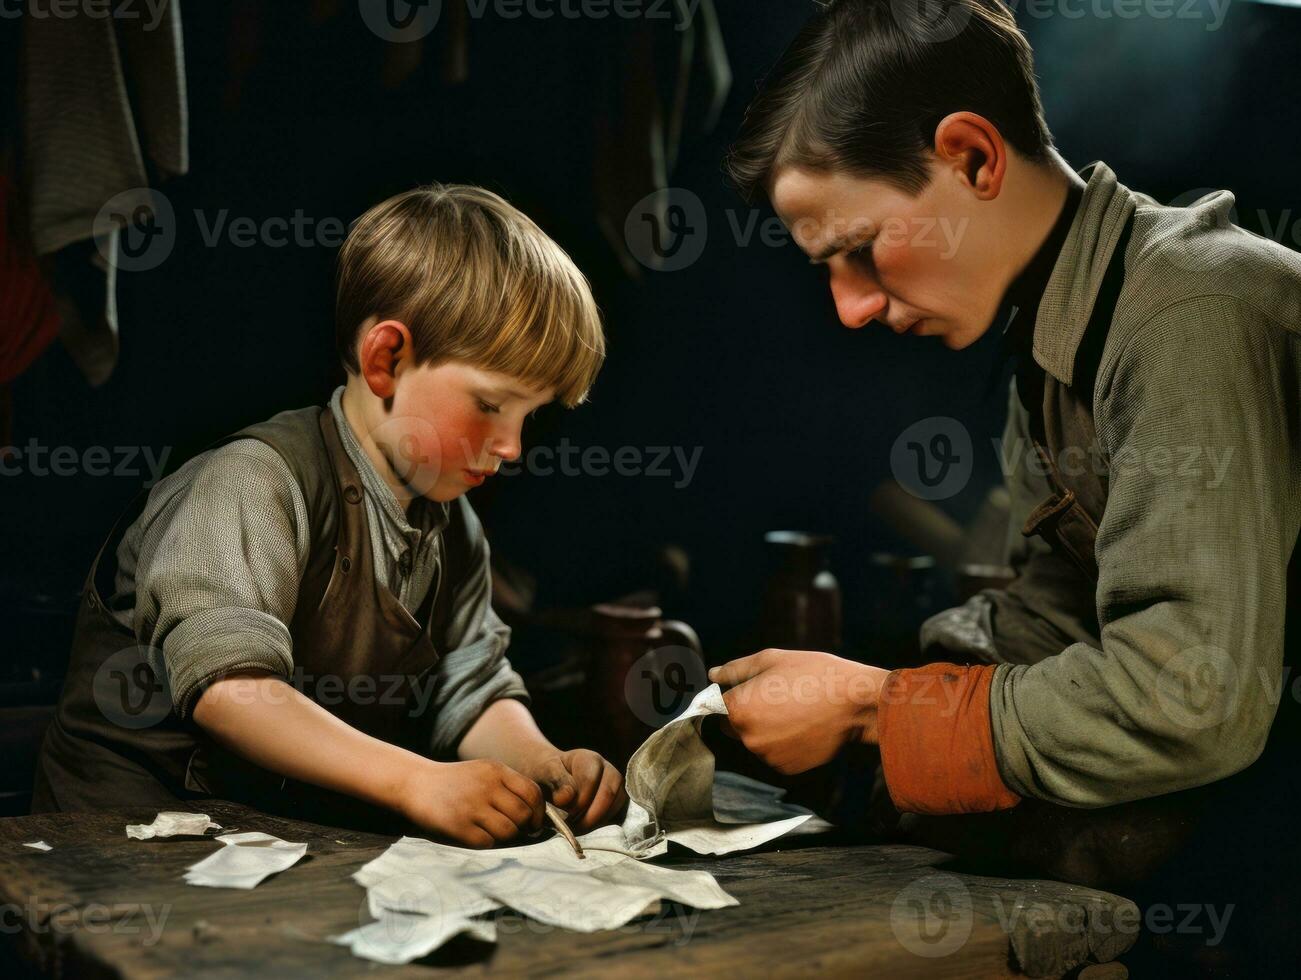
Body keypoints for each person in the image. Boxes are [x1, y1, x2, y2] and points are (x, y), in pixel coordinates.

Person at [710, 0, 1300, 888]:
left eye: (862, 249)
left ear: (971, 156)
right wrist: (855, 700)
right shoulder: (1057, 335)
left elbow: (1194, 701)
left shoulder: (1188, 313)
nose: (850, 307)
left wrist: (876, 710)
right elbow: (1061, 616)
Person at [33, 184, 626, 847]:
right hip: (116, 841)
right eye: (491, 405)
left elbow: (472, 685)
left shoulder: (449, 523)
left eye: (529, 415)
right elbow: (232, 691)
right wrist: (416, 782)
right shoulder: (252, 482)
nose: (512, 445)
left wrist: (543, 765)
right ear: (386, 360)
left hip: (271, 840)